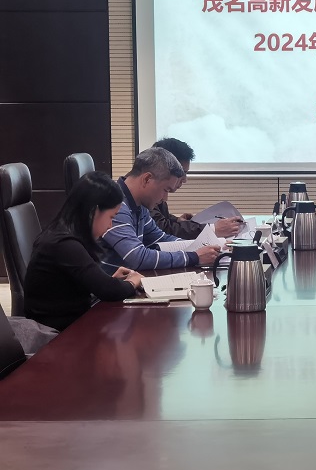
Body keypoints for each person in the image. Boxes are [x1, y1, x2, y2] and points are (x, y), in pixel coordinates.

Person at [24, 172, 143, 331]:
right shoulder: (64, 244)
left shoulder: (65, 233)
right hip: (56, 333)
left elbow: (86, 286)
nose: (110, 225)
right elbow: (109, 290)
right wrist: (133, 281)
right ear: (94, 211)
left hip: (72, 321)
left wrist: (108, 280)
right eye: (111, 217)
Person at [100, 147, 220, 272]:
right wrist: (194, 257)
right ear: (147, 179)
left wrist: (202, 247)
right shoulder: (115, 204)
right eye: (165, 190)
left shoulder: (138, 205)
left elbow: (161, 239)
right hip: (110, 282)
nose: (165, 198)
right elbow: (138, 258)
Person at [150, 138, 241, 239]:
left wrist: (177, 220)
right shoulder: (146, 196)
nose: (185, 180)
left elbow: (159, 220)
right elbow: (162, 230)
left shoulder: (156, 192)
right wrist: (212, 229)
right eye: (181, 173)